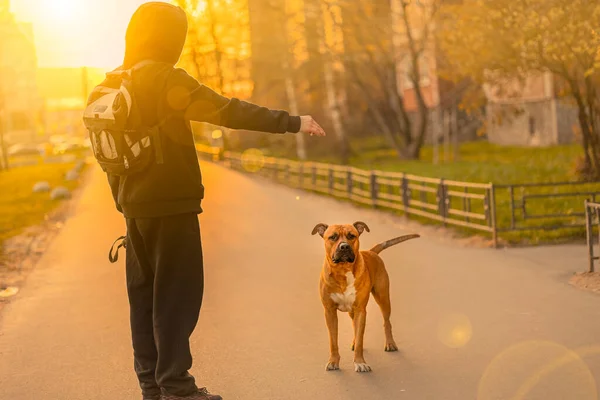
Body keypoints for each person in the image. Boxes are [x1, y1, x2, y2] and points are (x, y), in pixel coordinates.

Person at [95, 3, 326, 400]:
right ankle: (177, 387)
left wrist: (125, 203)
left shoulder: (113, 82)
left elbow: (107, 154)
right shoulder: (167, 79)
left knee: (144, 297)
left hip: (134, 210)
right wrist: (292, 122)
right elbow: (227, 110)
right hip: (172, 207)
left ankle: (152, 386)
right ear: (170, 37)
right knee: (176, 297)